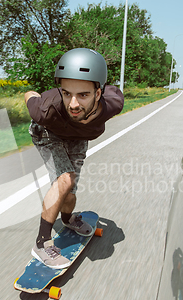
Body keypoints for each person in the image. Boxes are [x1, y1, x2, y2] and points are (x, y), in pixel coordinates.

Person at [25, 48, 124, 269]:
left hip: (78, 138)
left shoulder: (113, 103)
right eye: (67, 93)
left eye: (83, 95)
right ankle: (42, 243)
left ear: (98, 93)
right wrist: (34, 94)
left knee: (69, 194)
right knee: (65, 179)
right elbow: (29, 95)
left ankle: (68, 220)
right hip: (48, 133)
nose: (73, 104)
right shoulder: (45, 108)